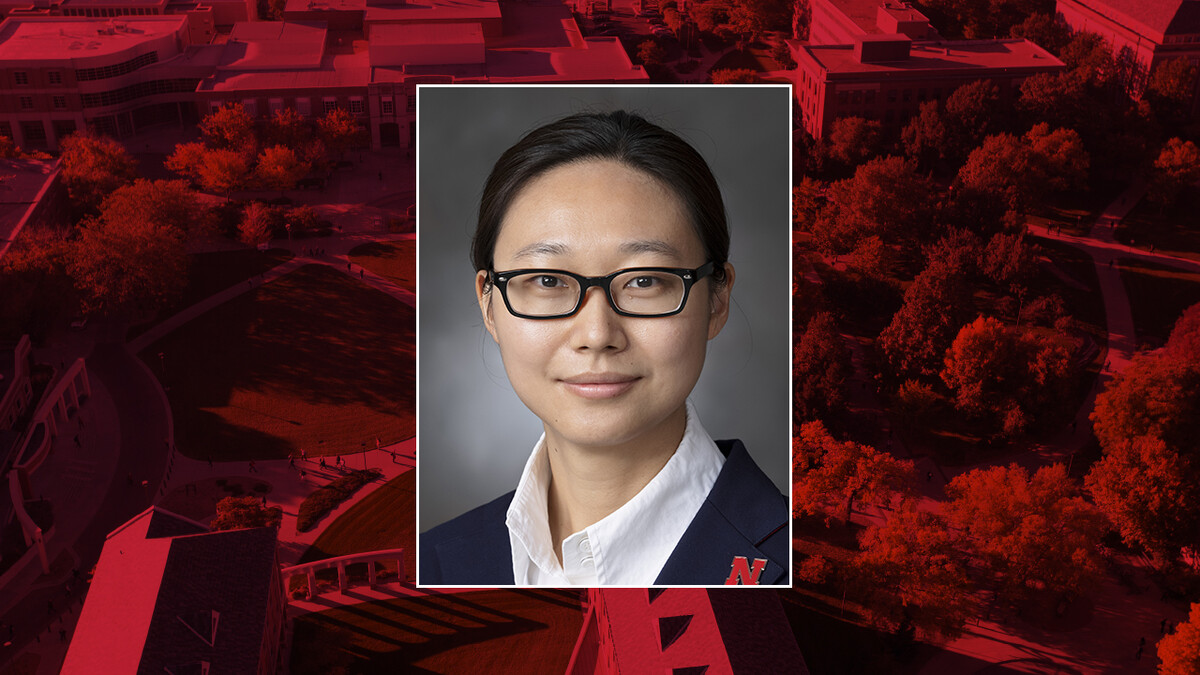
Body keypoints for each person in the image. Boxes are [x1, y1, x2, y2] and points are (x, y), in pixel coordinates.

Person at [420, 111, 788, 587]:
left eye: (644, 280)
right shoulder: (436, 562)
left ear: (717, 299)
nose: (596, 333)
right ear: (489, 305)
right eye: (547, 280)